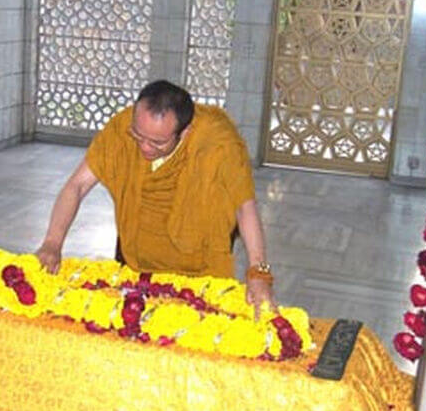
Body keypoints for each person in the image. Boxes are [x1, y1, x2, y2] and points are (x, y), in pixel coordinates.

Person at [35, 80, 275, 314]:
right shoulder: (122, 129)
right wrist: (52, 243)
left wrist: (258, 272)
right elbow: (77, 185)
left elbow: (245, 207)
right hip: (137, 263)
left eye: (158, 143)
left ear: (185, 132)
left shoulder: (218, 143)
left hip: (199, 272)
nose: (146, 148)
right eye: (139, 136)